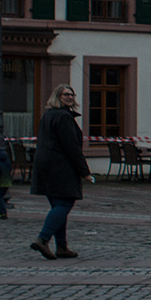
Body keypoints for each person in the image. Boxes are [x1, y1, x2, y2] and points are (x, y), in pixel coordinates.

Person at [30, 84, 94, 259]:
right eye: (66, 94)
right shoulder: (63, 117)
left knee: (58, 205)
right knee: (65, 204)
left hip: (45, 165)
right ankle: (43, 239)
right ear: (57, 96)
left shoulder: (48, 115)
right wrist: (85, 172)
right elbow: (71, 147)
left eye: (72, 94)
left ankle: (62, 247)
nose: (70, 97)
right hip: (60, 166)